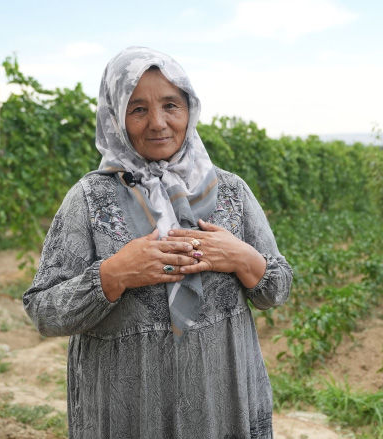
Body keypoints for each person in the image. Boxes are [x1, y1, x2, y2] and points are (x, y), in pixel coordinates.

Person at [23, 46, 292, 438]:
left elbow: (277, 289)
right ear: (115, 117)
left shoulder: (230, 191)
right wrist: (113, 275)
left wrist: (242, 258)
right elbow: (43, 310)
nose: (158, 123)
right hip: (129, 415)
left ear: (190, 109)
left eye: (171, 105)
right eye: (138, 109)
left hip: (223, 405)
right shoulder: (89, 199)